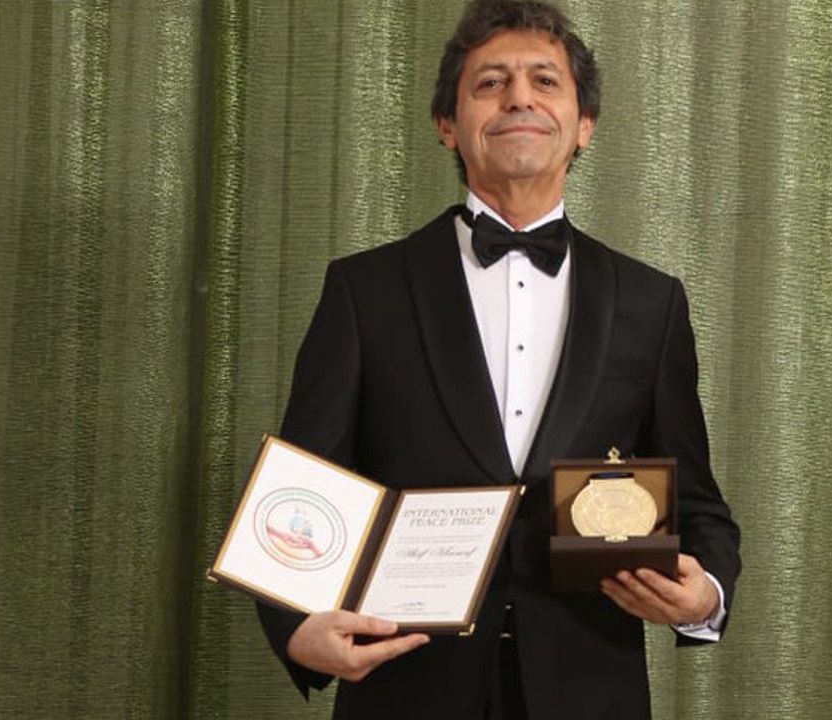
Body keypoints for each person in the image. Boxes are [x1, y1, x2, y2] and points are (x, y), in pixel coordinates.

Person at [257, 2, 740, 718]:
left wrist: (706, 598)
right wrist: (297, 629)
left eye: (545, 81)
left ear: (584, 124)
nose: (519, 97)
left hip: (590, 694)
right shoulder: (363, 290)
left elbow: (698, 505)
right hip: (405, 690)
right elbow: (301, 495)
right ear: (446, 125)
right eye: (490, 83)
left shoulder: (652, 302)